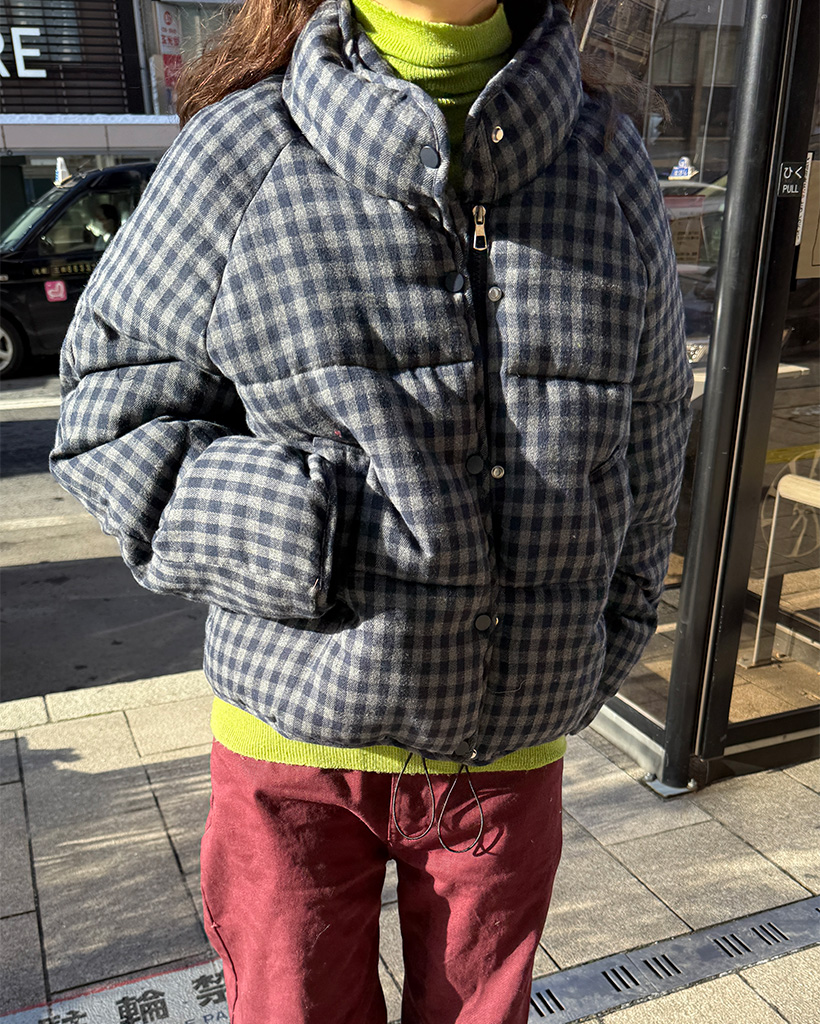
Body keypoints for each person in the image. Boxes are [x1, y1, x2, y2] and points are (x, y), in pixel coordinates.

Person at [50, 0, 692, 1021]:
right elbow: (108, 420)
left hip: (508, 754)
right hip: (293, 752)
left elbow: (654, 426)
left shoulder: (605, 161)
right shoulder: (244, 153)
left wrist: (612, 626)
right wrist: (306, 528)